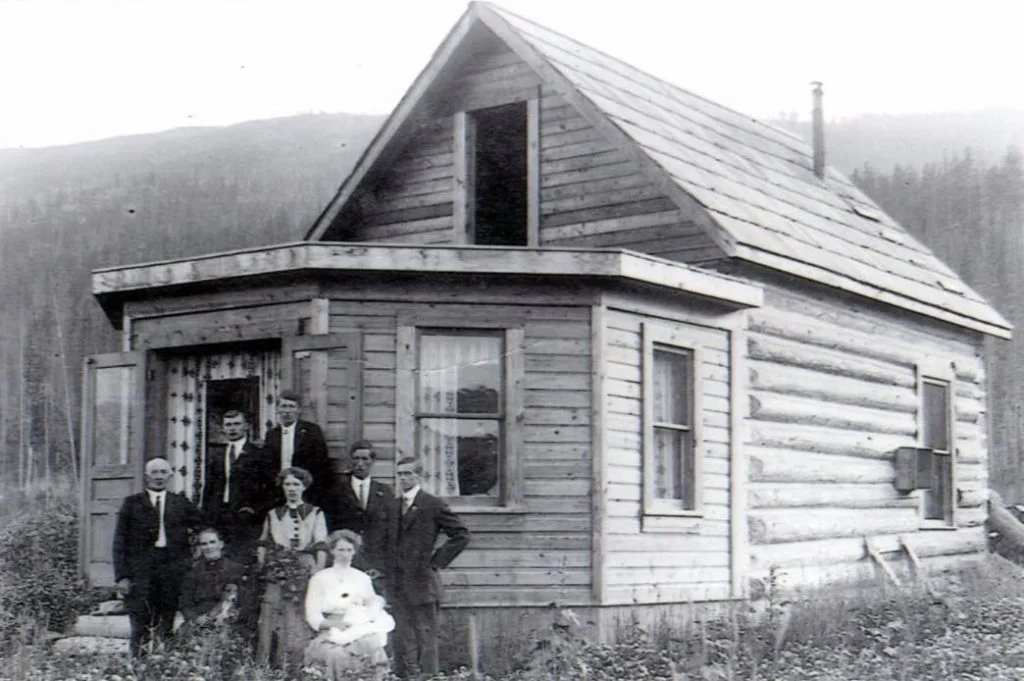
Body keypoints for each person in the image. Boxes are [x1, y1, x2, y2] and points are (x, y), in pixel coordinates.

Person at [387, 457, 470, 679]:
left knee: (426, 634)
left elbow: (461, 535)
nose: (403, 478)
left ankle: (429, 676)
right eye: (400, 474)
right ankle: (407, 675)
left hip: (422, 581)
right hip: (397, 583)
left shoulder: (433, 504)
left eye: (408, 474)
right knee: (404, 634)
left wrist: (436, 562)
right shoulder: (393, 505)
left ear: (418, 476)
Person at [113, 457, 204, 657]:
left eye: (163, 472)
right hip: (141, 571)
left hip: (172, 569)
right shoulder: (132, 503)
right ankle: (138, 668)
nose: (159, 477)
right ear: (146, 477)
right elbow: (119, 542)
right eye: (154, 473)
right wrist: (122, 576)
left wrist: (195, 555)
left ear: (170, 476)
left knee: (167, 621)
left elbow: (202, 525)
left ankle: (167, 666)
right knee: (140, 623)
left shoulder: (179, 502)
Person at [256, 466, 329, 672]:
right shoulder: (273, 514)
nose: (291, 489)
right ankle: (267, 666)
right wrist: (263, 565)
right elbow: (264, 542)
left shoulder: (315, 512)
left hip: (304, 567)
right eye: (287, 484)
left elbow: (321, 544)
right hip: (277, 567)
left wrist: (318, 572)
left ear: (304, 487)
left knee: (298, 613)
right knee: (271, 612)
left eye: (296, 484)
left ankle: (297, 666)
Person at [304, 530, 395, 680]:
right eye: (340, 550)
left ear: (354, 552)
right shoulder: (320, 578)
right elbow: (312, 615)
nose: (345, 554)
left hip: (359, 628)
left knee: (373, 645)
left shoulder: (362, 578)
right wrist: (336, 624)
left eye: (349, 550)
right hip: (331, 630)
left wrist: (368, 613)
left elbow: (373, 605)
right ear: (332, 551)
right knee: (337, 655)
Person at [200, 409, 266, 566]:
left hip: (245, 517)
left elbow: (269, 489)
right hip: (220, 515)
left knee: (242, 561)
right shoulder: (216, 454)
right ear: (223, 428)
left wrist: (254, 509)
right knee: (220, 562)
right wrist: (206, 517)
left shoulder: (259, 454)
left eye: (237, 424)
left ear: (246, 427)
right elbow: (209, 488)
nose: (232, 428)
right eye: (228, 425)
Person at [325, 440, 392, 582]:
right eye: (356, 459)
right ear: (350, 460)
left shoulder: (384, 492)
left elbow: (390, 528)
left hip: (376, 560)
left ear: (372, 461)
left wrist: (382, 563)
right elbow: (329, 526)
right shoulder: (336, 490)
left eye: (365, 459)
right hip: (346, 558)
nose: (360, 463)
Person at [263, 390, 333, 510]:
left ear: (298, 410)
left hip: (305, 490)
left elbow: (321, 463)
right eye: (284, 406)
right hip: (280, 491)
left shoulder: (311, 431)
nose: (287, 411)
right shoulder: (271, 435)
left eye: (291, 407)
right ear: (277, 410)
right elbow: (268, 464)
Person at [178, 527, 249, 634]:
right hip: (201, 621)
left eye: (212, 542)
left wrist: (223, 617)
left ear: (221, 544)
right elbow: (185, 605)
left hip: (228, 619)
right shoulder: (193, 572)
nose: (208, 547)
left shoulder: (236, 569)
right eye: (204, 544)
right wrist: (197, 619)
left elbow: (244, 601)